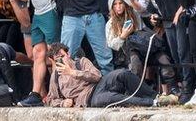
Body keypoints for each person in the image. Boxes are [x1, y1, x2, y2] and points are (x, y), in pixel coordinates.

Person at [46, 42, 176, 108]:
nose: (61, 61)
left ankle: (157, 96)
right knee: (113, 98)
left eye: (62, 56)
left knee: (122, 73)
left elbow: (97, 76)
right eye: (57, 59)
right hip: (87, 99)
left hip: (99, 84)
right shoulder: (56, 78)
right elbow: (51, 100)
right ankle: (153, 102)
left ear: (68, 54)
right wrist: (63, 103)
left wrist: (73, 72)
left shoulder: (81, 62)